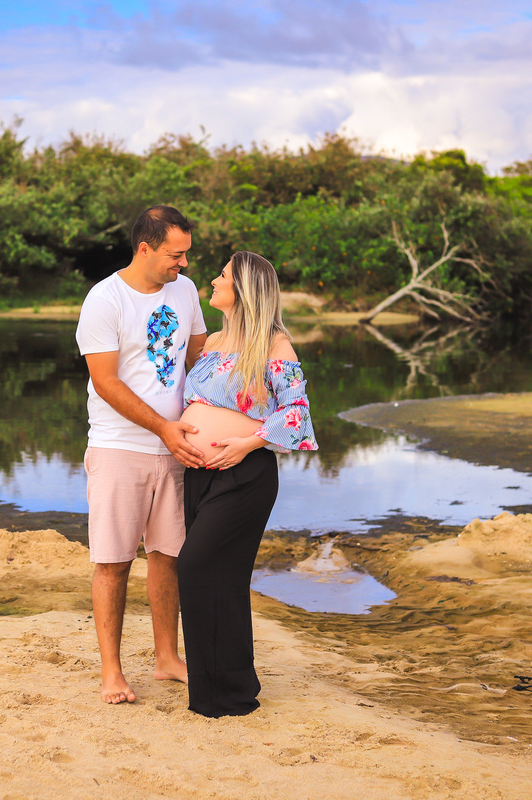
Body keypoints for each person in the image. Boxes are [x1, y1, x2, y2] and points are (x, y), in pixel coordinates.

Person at [75, 206, 208, 704]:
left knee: (169, 557)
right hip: (119, 448)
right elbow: (106, 382)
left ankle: (167, 659)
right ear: (145, 248)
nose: (184, 264)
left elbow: (200, 358)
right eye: (176, 255)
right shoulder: (104, 299)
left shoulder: (185, 291)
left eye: (187, 254)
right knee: (113, 562)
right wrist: (162, 429)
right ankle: (111, 672)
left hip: (177, 448)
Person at [176, 250, 318, 718]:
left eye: (223, 275)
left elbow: (295, 413)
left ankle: (231, 689)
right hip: (198, 473)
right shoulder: (214, 341)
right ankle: (219, 691)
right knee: (218, 579)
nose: (214, 281)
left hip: (244, 475)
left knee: (197, 567)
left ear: (244, 290)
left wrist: (247, 444)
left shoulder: (275, 345)